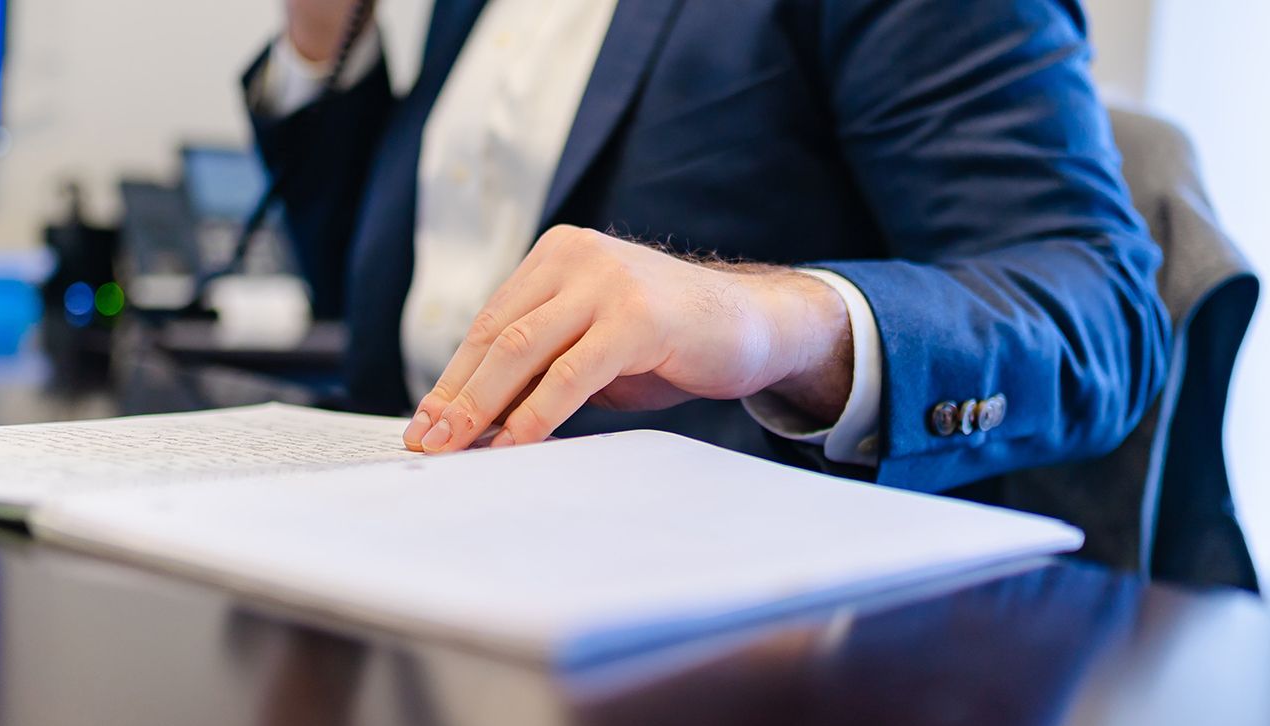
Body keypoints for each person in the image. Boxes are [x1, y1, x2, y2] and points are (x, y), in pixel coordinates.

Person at [246, 0, 1169, 492]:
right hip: (392, 546)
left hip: (740, 644)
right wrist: (323, 31)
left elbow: (1102, 312)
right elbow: (378, 294)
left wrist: (770, 322)